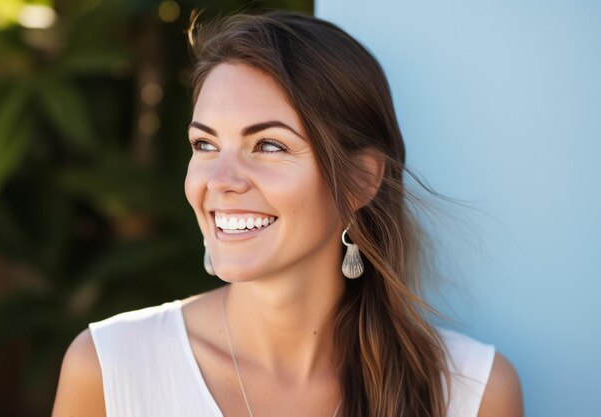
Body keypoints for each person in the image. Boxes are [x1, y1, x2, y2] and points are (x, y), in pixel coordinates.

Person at [51, 11, 524, 417]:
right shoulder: (108, 369)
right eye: (205, 144)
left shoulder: (472, 392)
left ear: (361, 179)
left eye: (269, 145)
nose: (221, 180)